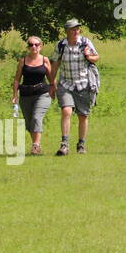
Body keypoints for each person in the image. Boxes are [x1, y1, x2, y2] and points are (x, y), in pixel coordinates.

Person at [51, 19, 100, 156]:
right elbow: (55, 64)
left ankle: (81, 144)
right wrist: (52, 82)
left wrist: (88, 55)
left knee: (82, 116)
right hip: (65, 83)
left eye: (77, 29)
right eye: (73, 29)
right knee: (66, 111)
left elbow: (96, 57)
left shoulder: (85, 42)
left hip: (83, 84)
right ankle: (64, 144)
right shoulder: (61, 45)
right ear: (66, 31)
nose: (75, 31)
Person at [12, 35, 54, 156]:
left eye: (36, 45)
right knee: (29, 122)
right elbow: (16, 80)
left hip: (42, 93)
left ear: (40, 46)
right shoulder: (23, 61)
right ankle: (36, 144)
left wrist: (53, 90)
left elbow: (51, 78)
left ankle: (35, 145)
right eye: (31, 45)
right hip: (25, 94)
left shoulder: (45, 60)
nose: (33, 47)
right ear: (28, 47)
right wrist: (15, 95)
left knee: (36, 117)